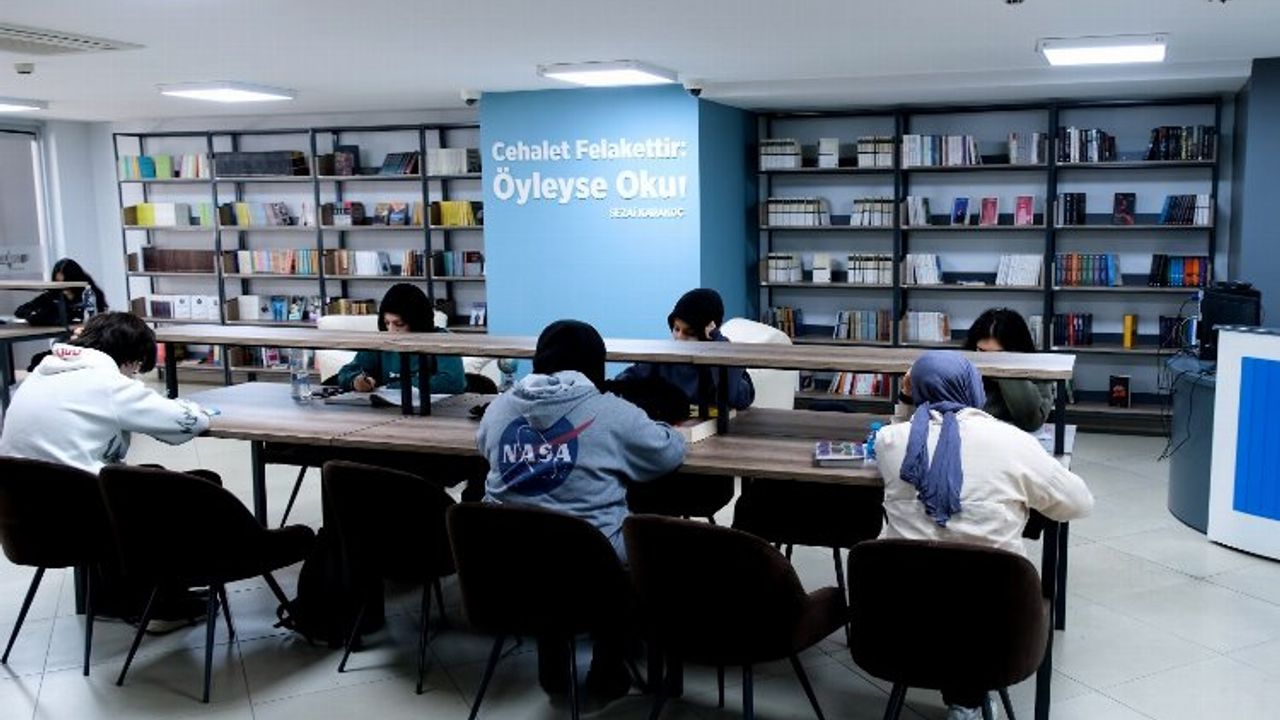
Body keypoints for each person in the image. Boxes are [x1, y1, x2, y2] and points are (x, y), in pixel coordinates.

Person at [875, 350, 1093, 720]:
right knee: (989, 556)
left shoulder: (889, 442)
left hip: (903, 622)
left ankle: (958, 694)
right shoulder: (1013, 442)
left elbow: (901, 430)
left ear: (916, 389)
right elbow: (1079, 503)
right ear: (973, 388)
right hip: (995, 626)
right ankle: (967, 702)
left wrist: (907, 398)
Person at [477, 319, 686, 702]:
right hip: (591, 574)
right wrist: (662, 425)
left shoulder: (498, 408)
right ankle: (609, 670)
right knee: (632, 547)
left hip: (508, 568)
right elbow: (668, 452)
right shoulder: (611, 412)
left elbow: (483, 447)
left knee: (545, 545)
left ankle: (553, 665)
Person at [0, 312, 217, 624]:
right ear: (128, 358)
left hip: (26, 520)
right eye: (136, 366)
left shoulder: (40, 374)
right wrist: (197, 408)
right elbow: (186, 421)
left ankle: (132, 596)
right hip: (82, 521)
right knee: (188, 489)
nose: (134, 375)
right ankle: (159, 602)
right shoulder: (107, 382)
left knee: (146, 475)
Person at [899, 308, 1053, 432]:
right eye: (981, 351)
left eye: (997, 354)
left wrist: (1007, 371)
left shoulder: (1035, 371)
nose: (987, 360)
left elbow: (1031, 422)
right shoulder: (960, 371)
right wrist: (907, 396)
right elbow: (919, 422)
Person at [614, 288, 755, 410]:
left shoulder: (724, 365)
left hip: (711, 426)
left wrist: (718, 342)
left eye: (690, 332)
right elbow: (623, 382)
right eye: (676, 329)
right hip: (667, 425)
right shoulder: (663, 358)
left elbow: (736, 398)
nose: (679, 337)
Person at [335, 283, 465, 395]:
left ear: (417, 323)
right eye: (387, 323)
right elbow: (346, 373)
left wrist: (392, 386)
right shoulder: (381, 341)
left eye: (399, 324)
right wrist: (356, 381)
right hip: (388, 409)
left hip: (437, 410)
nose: (391, 331)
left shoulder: (442, 340)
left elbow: (453, 382)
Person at [14, 258, 108, 327]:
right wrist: (34, 314)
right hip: (64, 336)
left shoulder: (90, 294)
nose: (64, 289)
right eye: (58, 283)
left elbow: (98, 318)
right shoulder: (53, 295)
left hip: (88, 335)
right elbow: (21, 311)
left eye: (66, 284)